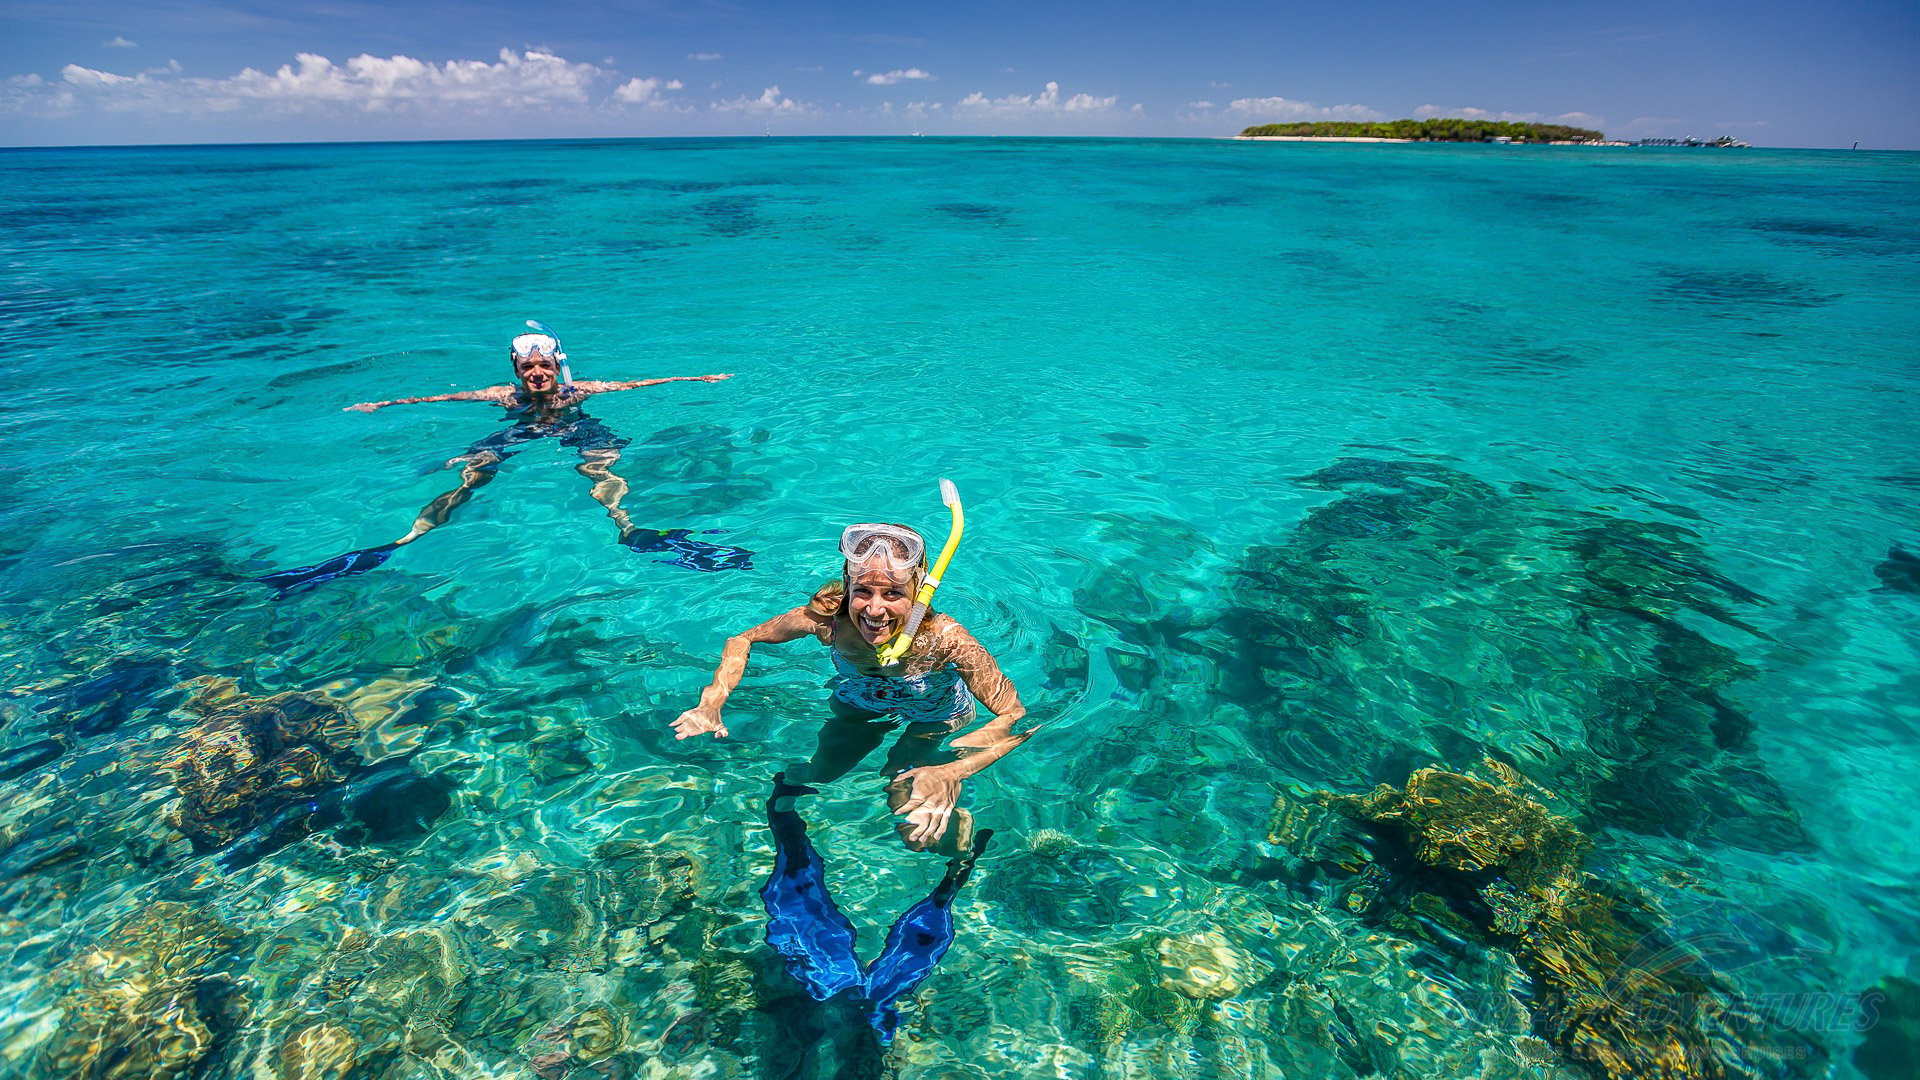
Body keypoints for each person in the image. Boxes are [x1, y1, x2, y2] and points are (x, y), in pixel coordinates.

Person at [258, 326, 751, 595]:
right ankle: (405, 538)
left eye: (545, 365)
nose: (537, 373)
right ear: (516, 370)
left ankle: (627, 527)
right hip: (518, 430)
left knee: (601, 467)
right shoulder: (504, 397)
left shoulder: (582, 390)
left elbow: (637, 384)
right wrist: (384, 405)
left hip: (576, 427)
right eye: (527, 367)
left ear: (559, 365)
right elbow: (440, 399)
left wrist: (696, 379)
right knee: (471, 473)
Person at [672, 519, 1036, 856]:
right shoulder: (829, 623)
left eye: (892, 594)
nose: (874, 610)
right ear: (848, 585)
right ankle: (787, 793)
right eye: (863, 591)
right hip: (860, 701)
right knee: (821, 773)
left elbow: (1014, 715)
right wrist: (713, 700)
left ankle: (960, 847)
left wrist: (954, 769)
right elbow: (743, 639)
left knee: (912, 819)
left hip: (933, 714)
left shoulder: (947, 640)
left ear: (919, 592)